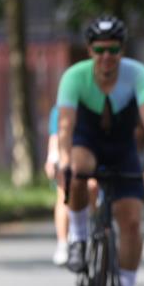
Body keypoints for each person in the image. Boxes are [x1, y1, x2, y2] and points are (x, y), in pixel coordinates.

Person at [56, 15, 144, 286]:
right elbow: (65, 126)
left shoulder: (138, 74)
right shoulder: (74, 77)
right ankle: (78, 238)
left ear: (123, 49)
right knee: (78, 169)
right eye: (100, 49)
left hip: (122, 149)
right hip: (86, 143)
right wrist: (63, 161)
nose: (107, 56)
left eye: (113, 49)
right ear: (90, 50)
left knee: (131, 221)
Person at [44, 105, 98, 266]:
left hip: (92, 155)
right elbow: (55, 138)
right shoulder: (60, 109)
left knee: (93, 186)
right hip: (67, 156)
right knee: (64, 193)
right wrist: (52, 159)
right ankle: (63, 243)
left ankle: (93, 227)